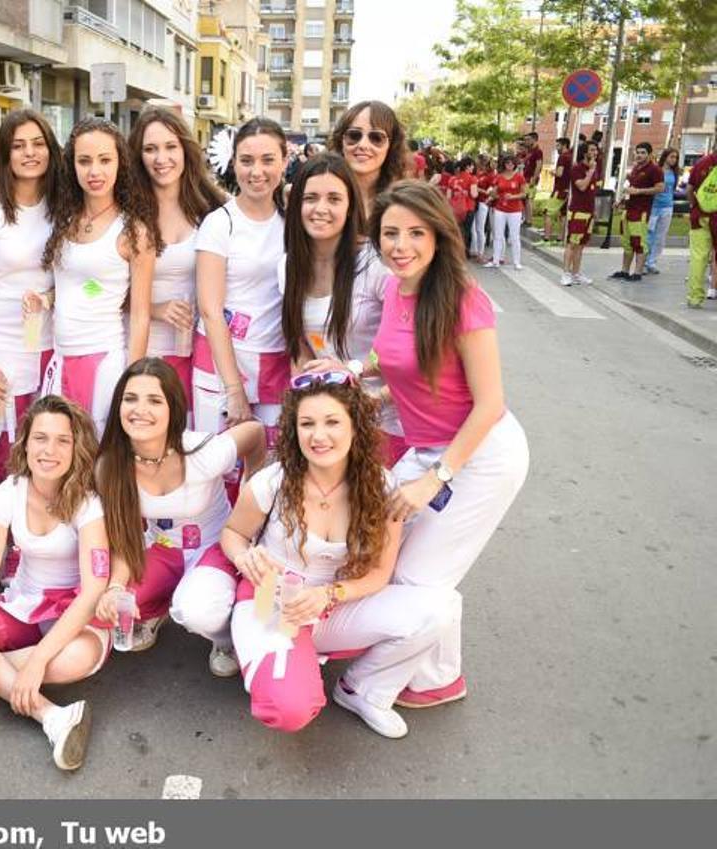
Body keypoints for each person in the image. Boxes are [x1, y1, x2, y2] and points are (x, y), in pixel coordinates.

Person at [222, 370, 460, 737]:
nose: (319, 435)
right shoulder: (272, 482)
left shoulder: (382, 486)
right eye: (307, 424)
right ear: (294, 430)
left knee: (442, 607)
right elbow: (234, 533)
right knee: (289, 710)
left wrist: (327, 595)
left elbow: (379, 575)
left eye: (332, 421)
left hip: (333, 604)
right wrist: (243, 557)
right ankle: (274, 656)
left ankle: (364, 690)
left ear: (355, 426)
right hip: (270, 601)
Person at [366, 180, 528, 709]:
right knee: (397, 559)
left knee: (418, 574)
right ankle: (440, 674)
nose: (401, 245)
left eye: (415, 233)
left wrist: (437, 477)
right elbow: (415, 367)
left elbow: (488, 402)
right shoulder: (395, 288)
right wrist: (374, 394)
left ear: (439, 235)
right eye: (390, 233)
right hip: (429, 448)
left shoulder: (464, 300)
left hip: (479, 455)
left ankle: (431, 678)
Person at [0, 395, 109, 772]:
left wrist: (38, 660)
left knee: (77, 659)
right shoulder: (8, 493)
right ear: (25, 442)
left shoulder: (89, 502)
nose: (50, 450)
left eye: (63, 440)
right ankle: (51, 716)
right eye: (41, 438)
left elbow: (94, 589)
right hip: (22, 603)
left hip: (74, 614)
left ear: (76, 448)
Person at [94, 358, 266, 675]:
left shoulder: (202, 452)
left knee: (197, 611)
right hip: (159, 549)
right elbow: (122, 537)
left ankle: (226, 638)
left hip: (213, 547)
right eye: (130, 399)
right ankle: (155, 609)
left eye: (154, 400)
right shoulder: (110, 465)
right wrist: (116, 587)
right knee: (104, 604)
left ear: (172, 407)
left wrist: (250, 496)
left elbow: (254, 433)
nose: (139, 409)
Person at [279, 153, 404, 465]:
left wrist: (375, 397)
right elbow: (300, 350)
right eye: (311, 198)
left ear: (350, 208)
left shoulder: (375, 264)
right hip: (330, 423)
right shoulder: (287, 266)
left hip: (386, 419)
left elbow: (410, 350)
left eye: (334, 198)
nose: (321, 209)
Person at [0, 109, 64, 479]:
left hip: (52, 348)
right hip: (0, 352)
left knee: (46, 452)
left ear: (51, 150)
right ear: (5, 154)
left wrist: (48, 298)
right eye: (18, 146)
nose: (29, 153)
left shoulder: (65, 206)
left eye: (38, 144)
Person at [40, 118, 157, 434]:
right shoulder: (64, 220)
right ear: (72, 165)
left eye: (105, 160)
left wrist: (132, 383)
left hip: (104, 363)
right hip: (60, 358)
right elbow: (77, 284)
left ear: (121, 163)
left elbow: (141, 315)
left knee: (98, 456)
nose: (95, 171)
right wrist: (44, 298)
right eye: (84, 161)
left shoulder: (134, 231)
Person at [194, 118, 288, 441]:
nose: (256, 171)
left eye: (268, 160)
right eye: (246, 161)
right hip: (221, 364)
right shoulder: (219, 224)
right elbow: (210, 309)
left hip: (275, 361)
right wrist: (234, 388)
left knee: (266, 472)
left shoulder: (294, 224)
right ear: (234, 164)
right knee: (218, 470)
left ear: (285, 162)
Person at [128, 107, 227, 414]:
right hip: (144, 350)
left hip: (197, 351)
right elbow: (101, 290)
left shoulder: (214, 208)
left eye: (171, 146)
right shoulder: (127, 213)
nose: (161, 159)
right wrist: (156, 309)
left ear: (185, 149)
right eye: (150, 149)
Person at [329, 101, 407, 217]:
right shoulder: (320, 196)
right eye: (354, 135)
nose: (363, 145)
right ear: (341, 142)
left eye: (376, 138)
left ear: (391, 145)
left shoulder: (406, 202)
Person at [609, 142, 665, 283]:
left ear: (650, 154)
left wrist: (639, 191)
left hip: (641, 212)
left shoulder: (655, 169)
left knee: (639, 243)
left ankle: (638, 272)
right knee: (627, 242)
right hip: (628, 210)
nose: (639, 155)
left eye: (642, 153)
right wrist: (621, 201)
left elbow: (660, 188)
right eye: (637, 152)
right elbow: (631, 188)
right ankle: (624, 271)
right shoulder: (635, 168)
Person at [561, 141, 602, 287]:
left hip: (588, 211)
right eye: (592, 150)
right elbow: (582, 186)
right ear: (585, 152)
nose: (595, 153)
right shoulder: (577, 169)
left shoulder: (595, 169)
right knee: (572, 243)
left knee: (581, 245)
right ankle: (565, 273)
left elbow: (592, 191)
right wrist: (590, 171)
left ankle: (576, 273)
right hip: (578, 211)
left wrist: (594, 210)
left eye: (596, 150)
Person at [685, 138, 717, 307]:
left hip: (700, 215)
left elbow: (689, 190)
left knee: (698, 257)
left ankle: (695, 297)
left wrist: (694, 205)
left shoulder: (702, 163)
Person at [483, 154, 524, 270]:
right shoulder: (499, 177)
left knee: (515, 236)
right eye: (507, 163)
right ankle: (496, 260)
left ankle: (517, 262)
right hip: (500, 208)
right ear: (504, 165)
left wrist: (513, 196)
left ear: (514, 164)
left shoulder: (519, 177)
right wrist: (491, 194)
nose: (509, 165)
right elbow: (494, 191)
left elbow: (524, 193)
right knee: (498, 235)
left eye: (511, 163)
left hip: (515, 210)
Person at [644, 148, 679, 275]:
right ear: (665, 157)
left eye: (676, 157)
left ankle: (652, 262)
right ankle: (643, 261)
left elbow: (672, 189)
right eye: (671, 157)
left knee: (661, 236)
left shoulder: (674, 172)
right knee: (649, 235)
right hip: (654, 206)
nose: (674, 160)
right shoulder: (656, 170)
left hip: (667, 206)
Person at [540, 137, 573, 245]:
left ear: (564, 145)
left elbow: (559, 173)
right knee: (563, 215)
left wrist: (552, 172)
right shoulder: (572, 156)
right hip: (568, 189)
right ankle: (560, 239)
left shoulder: (563, 157)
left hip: (560, 189)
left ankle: (546, 238)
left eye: (558, 145)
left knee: (547, 212)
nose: (556, 148)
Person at [470, 154, 495, 263]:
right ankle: (474, 250)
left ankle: (481, 252)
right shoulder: (476, 173)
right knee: (473, 227)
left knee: (480, 228)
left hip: (483, 202)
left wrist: (478, 189)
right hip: (473, 201)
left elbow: (490, 191)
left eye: (479, 161)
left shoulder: (490, 175)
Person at [521, 132, 543, 226]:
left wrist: (534, 178)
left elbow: (539, 165)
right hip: (525, 177)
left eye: (528, 139)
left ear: (534, 139)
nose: (526, 141)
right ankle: (526, 219)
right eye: (525, 140)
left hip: (531, 178)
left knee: (529, 199)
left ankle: (529, 221)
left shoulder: (538, 151)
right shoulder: (530, 151)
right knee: (525, 198)